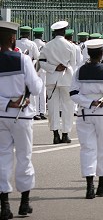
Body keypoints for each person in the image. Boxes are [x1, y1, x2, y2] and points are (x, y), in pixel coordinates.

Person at [0, 21, 43, 219]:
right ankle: (24, 203)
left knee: (2, 158)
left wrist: (7, 103)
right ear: (12, 39)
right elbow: (35, 88)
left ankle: (4, 205)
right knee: (24, 157)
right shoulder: (23, 60)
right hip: (21, 116)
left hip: (2, 115)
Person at [69, 39, 103, 199]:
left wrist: (89, 102)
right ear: (102, 54)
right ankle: (102, 184)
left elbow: (73, 93)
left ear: (88, 54)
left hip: (85, 113)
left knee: (87, 148)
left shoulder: (79, 71)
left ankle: (89, 186)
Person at [38, 21, 78, 144]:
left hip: (52, 79)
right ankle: (65, 134)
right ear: (64, 32)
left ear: (54, 32)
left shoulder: (47, 46)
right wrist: (64, 67)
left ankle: (55, 134)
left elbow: (41, 62)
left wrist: (54, 68)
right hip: (66, 78)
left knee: (53, 107)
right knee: (67, 107)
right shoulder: (70, 46)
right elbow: (73, 64)